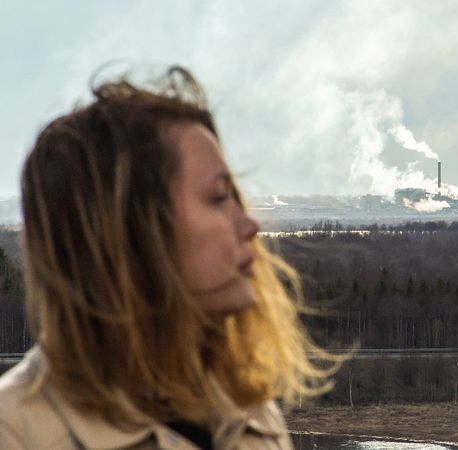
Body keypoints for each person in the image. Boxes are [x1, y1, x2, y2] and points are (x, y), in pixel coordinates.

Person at [0, 66, 338, 449]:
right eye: (217, 198)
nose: (249, 227)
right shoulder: (16, 433)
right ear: (129, 231)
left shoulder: (245, 410)